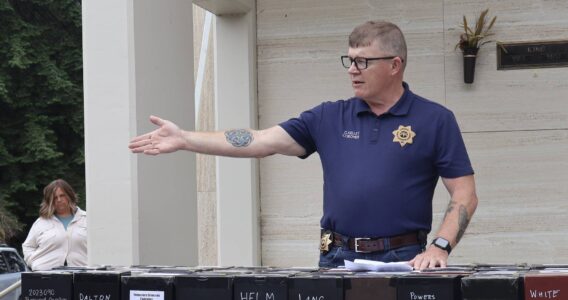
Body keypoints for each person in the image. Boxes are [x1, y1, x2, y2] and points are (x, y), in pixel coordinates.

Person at [129, 21, 478, 270]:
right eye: (350, 60)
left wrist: (441, 246)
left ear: (394, 65)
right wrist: (185, 138)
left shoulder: (435, 119)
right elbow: (260, 140)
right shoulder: (328, 117)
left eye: (363, 61)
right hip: (337, 259)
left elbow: (464, 194)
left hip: (404, 260)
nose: (352, 70)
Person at [22, 179, 87, 271]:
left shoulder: (86, 219)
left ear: (69, 195)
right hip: (47, 277)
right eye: (55, 197)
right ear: (49, 200)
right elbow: (28, 246)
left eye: (62, 195)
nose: (59, 200)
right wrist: (34, 263)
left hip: (82, 276)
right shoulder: (41, 222)